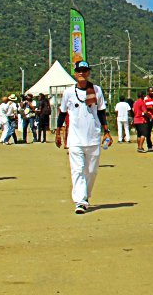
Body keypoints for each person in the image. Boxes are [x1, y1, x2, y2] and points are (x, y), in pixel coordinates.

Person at [55, 61, 112, 214]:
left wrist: (106, 131)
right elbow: (62, 113)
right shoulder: (68, 92)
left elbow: (101, 111)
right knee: (77, 170)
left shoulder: (97, 90)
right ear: (75, 73)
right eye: (79, 71)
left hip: (93, 136)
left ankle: (86, 195)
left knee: (92, 171)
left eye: (85, 70)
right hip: (75, 139)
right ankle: (80, 201)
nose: (82, 73)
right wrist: (58, 131)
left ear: (88, 73)